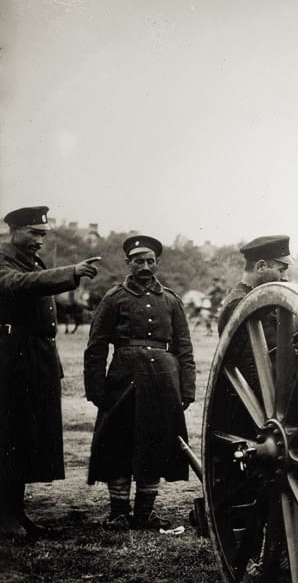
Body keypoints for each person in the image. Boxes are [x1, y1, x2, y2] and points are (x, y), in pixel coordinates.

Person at [0, 206, 100, 537]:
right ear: (14, 231)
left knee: (28, 437)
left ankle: (17, 513)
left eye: (43, 234)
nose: (41, 240)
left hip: (36, 357)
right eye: (34, 233)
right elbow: (19, 284)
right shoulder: (4, 259)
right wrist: (70, 272)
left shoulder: (32, 260)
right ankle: (6, 516)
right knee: (10, 437)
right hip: (12, 359)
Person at [84, 236, 195, 530]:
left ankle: (145, 513)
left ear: (157, 262)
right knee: (118, 442)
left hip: (163, 383)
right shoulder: (114, 298)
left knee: (156, 443)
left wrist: (187, 388)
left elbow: (184, 347)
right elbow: (96, 347)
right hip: (123, 381)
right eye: (138, 261)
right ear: (128, 263)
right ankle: (119, 512)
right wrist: (95, 389)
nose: (145, 267)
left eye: (150, 261)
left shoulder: (171, 300)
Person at [217, 235, 292, 335]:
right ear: (261, 267)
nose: (285, 278)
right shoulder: (241, 305)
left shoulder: (253, 299)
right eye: (281, 270)